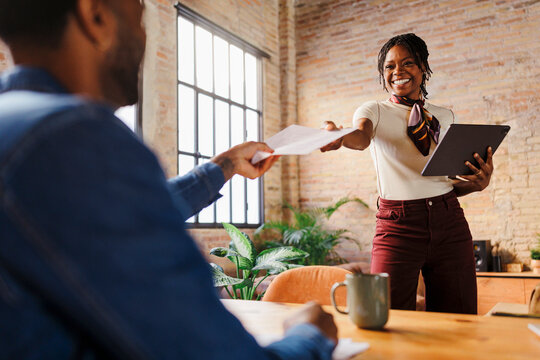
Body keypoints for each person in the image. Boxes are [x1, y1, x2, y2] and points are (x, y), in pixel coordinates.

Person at [0, 0, 338, 358]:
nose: (146, 36)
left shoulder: (21, 132)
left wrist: (223, 165)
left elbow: (112, 214)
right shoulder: (73, 135)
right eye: (141, 17)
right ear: (95, 15)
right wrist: (310, 336)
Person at [321, 33, 494, 314]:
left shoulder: (444, 116)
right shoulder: (374, 110)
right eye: (389, 66)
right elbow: (361, 136)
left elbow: (442, 182)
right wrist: (339, 137)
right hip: (397, 226)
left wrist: (476, 184)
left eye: (407, 63)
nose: (398, 71)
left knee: (459, 317)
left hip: (449, 221)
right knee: (385, 315)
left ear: (423, 67)